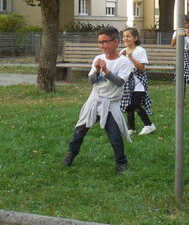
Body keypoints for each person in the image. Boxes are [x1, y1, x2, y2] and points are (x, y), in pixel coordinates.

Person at [62, 26, 132, 173]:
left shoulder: (124, 62)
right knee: (80, 130)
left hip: (110, 104)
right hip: (94, 101)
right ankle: (71, 154)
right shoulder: (98, 59)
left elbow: (119, 82)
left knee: (114, 135)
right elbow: (91, 81)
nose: (102, 46)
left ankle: (121, 162)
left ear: (115, 42)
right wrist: (98, 70)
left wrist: (106, 70)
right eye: (100, 42)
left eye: (105, 42)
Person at [120, 27, 156, 135]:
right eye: (124, 36)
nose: (125, 38)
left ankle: (149, 125)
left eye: (128, 36)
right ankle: (131, 128)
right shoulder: (122, 51)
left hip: (138, 82)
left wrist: (131, 58)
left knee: (136, 103)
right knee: (128, 105)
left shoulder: (140, 50)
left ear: (135, 38)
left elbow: (141, 67)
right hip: (128, 83)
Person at [171, 15, 189, 104]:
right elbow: (172, 44)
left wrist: (187, 35)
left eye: (185, 23)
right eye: (182, 23)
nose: (184, 25)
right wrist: (178, 35)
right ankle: (182, 99)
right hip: (180, 54)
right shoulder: (176, 32)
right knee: (181, 77)